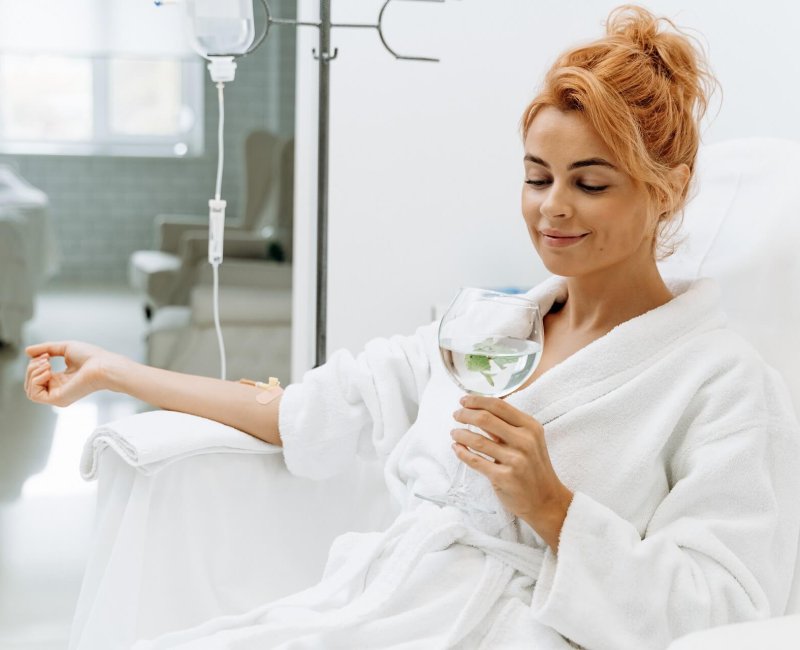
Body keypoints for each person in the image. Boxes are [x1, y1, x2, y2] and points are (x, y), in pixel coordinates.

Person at [24, 5, 800, 649]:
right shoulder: (488, 333)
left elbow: (726, 609)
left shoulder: (721, 384)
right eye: (536, 177)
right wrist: (116, 371)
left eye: (589, 183)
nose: (552, 207)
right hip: (372, 611)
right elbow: (306, 412)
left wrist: (554, 507)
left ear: (670, 190)